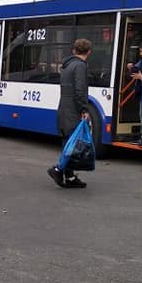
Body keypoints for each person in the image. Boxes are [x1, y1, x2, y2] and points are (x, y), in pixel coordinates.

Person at [47, 38, 93, 189]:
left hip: (64, 107)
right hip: (73, 109)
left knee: (68, 142)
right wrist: (84, 109)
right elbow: (80, 90)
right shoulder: (80, 66)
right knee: (72, 145)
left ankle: (70, 176)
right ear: (89, 52)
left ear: (74, 50)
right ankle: (57, 169)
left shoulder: (67, 66)